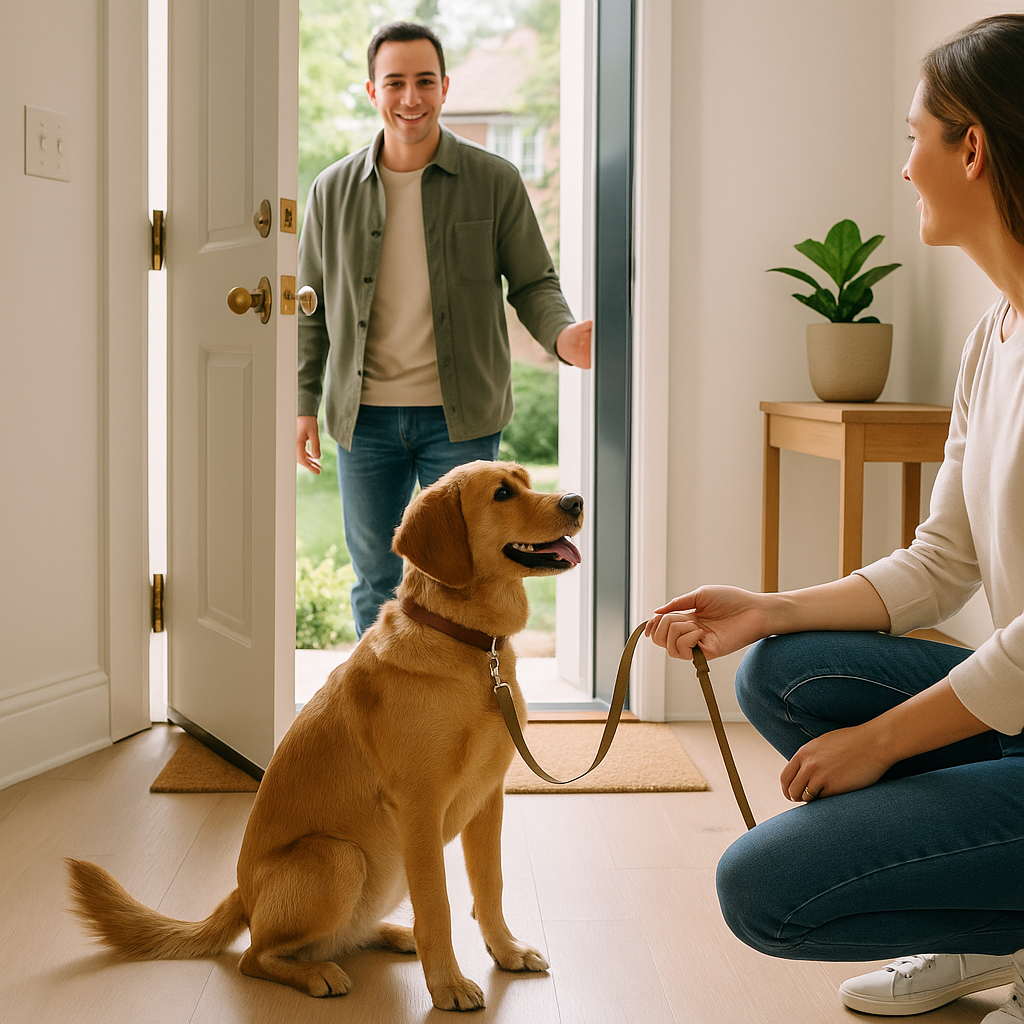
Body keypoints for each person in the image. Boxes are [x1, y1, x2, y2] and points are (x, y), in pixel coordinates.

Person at [646, 14, 1024, 1023]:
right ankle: (992, 931)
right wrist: (767, 607)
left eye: (914, 138)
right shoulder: (996, 332)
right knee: (788, 663)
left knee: (764, 889)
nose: (904, 169)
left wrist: (884, 740)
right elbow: (942, 561)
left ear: (972, 148)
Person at [296, 21, 591, 636]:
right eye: (395, 82)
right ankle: (387, 715)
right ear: (372, 90)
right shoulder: (332, 190)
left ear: (445, 87)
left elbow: (534, 282)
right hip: (364, 417)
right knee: (378, 577)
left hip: (461, 416)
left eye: (424, 81)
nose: (411, 97)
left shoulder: (495, 179)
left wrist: (563, 337)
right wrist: (303, 403)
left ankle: (468, 707)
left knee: (477, 571)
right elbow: (312, 307)